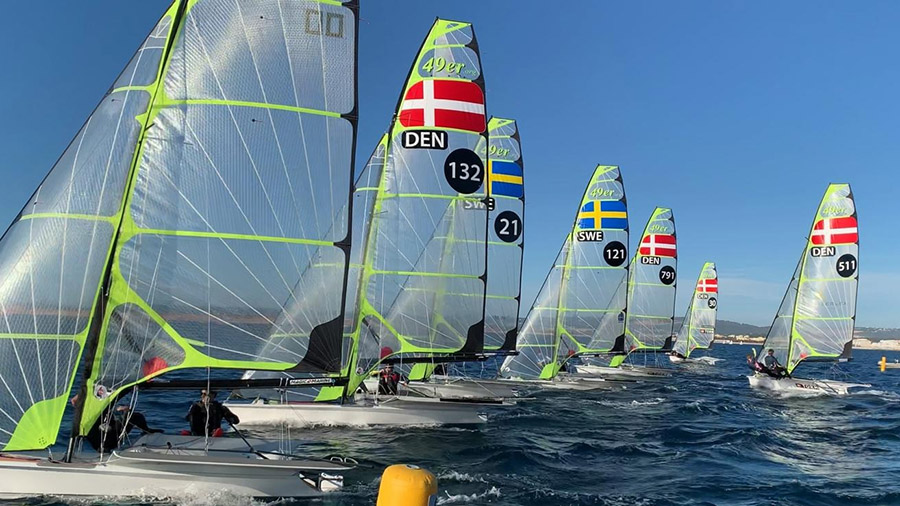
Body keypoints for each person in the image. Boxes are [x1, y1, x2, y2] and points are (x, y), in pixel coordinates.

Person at [85, 404, 163, 453]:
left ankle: (146, 430)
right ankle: (103, 448)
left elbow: (110, 406)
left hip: (112, 434)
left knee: (135, 416)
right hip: (99, 437)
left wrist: (120, 408)